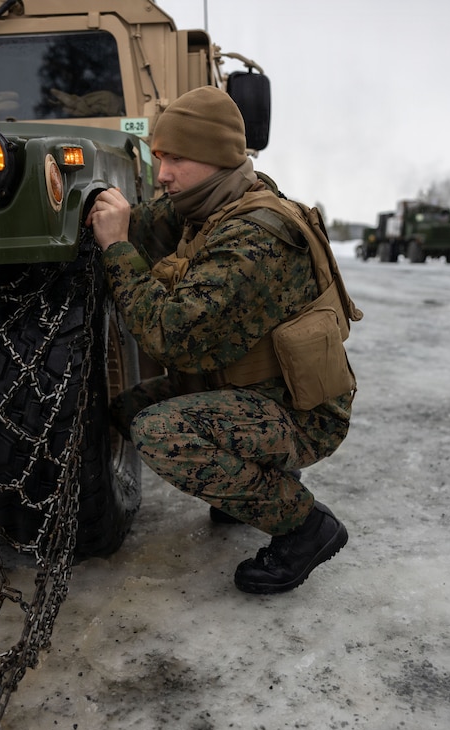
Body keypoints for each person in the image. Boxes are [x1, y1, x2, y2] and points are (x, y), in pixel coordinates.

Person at [86, 85, 355, 595]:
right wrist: (106, 216)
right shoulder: (211, 202)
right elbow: (147, 224)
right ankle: (250, 488)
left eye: (176, 159)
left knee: (159, 431)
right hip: (254, 390)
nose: (162, 174)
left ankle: (305, 526)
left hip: (299, 411)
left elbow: (170, 336)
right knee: (126, 408)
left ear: (215, 160)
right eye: (159, 158)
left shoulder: (254, 237)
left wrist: (117, 248)